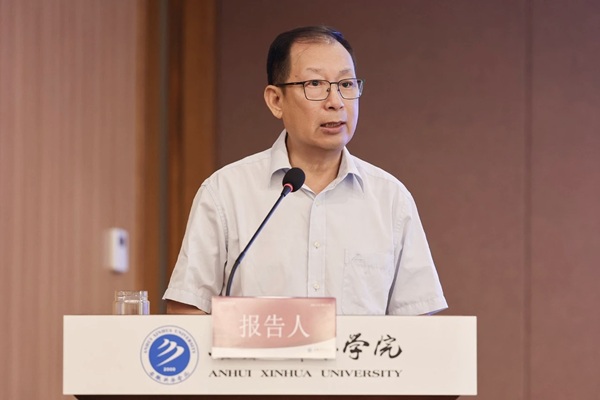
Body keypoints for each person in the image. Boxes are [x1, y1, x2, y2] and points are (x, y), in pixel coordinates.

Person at [163, 25, 447, 316]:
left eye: (346, 84)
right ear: (276, 100)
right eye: (315, 84)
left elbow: (418, 320)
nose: (335, 102)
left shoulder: (391, 199)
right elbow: (187, 307)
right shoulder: (226, 192)